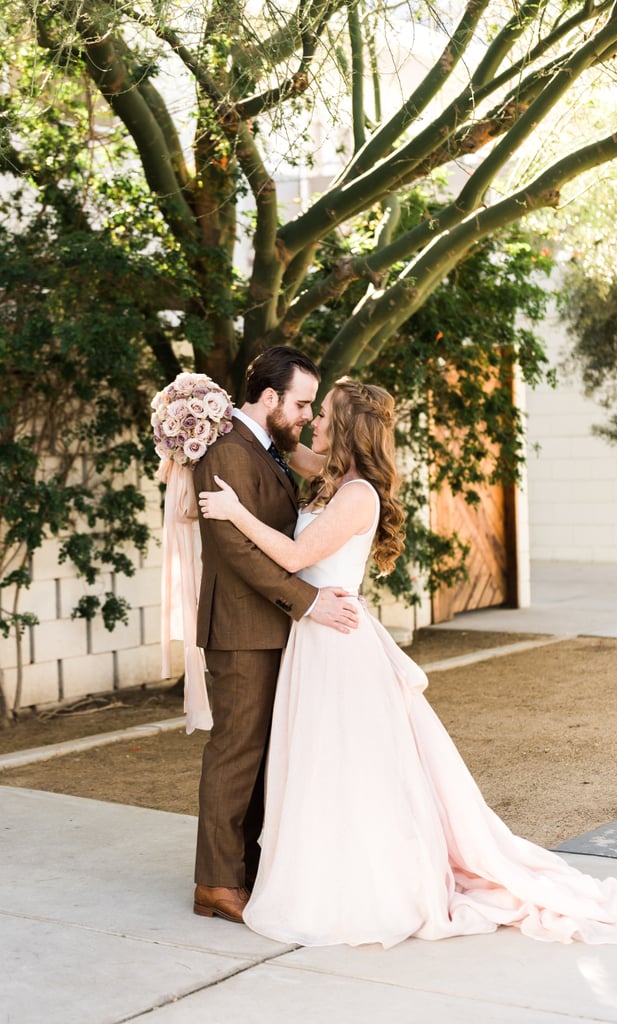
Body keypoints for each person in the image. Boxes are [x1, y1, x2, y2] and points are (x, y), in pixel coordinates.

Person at [198, 377, 617, 948]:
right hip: (313, 641)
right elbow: (285, 443)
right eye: (308, 408)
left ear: (343, 427)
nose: (312, 419)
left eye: (323, 413)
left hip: (337, 643)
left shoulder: (358, 494)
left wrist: (235, 511)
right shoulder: (333, 477)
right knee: (315, 763)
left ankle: (359, 879)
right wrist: (204, 416)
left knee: (346, 765)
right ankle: (313, 865)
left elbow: (292, 554)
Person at [192, 347, 360, 926]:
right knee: (236, 752)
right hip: (241, 626)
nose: (306, 414)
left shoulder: (269, 447)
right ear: (269, 398)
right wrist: (310, 601)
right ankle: (215, 883)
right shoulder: (225, 451)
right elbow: (233, 549)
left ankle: (249, 868)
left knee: (266, 754)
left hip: (272, 624)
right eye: (301, 403)